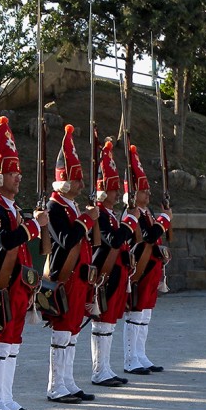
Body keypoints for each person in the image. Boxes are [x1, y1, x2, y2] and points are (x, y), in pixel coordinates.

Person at [0, 116, 49, 410]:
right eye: (11, 172)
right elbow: (7, 240)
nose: (18, 177)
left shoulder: (12, 207)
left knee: (13, 340)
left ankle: (7, 398)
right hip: (4, 281)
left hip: (20, 282)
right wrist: (35, 225)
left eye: (19, 172)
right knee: (1, 339)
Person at [44, 124, 99, 404]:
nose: (81, 183)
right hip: (64, 275)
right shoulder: (55, 207)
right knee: (62, 330)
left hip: (80, 277)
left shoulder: (71, 207)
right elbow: (66, 239)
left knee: (73, 331)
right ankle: (56, 385)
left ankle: (68, 381)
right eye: (76, 179)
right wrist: (87, 219)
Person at [90, 139, 139, 386]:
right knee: (102, 323)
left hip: (116, 273)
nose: (117, 193)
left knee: (109, 323)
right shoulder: (100, 214)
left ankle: (105, 368)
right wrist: (130, 223)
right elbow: (111, 239)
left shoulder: (109, 213)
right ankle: (99, 371)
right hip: (105, 272)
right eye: (112, 189)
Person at [123, 145, 172, 375]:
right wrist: (164, 220)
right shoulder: (131, 214)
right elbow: (146, 238)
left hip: (152, 269)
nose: (148, 193)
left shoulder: (147, 212)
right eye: (143, 190)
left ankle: (140, 354)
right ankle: (130, 358)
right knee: (135, 314)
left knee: (145, 314)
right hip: (139, 269)